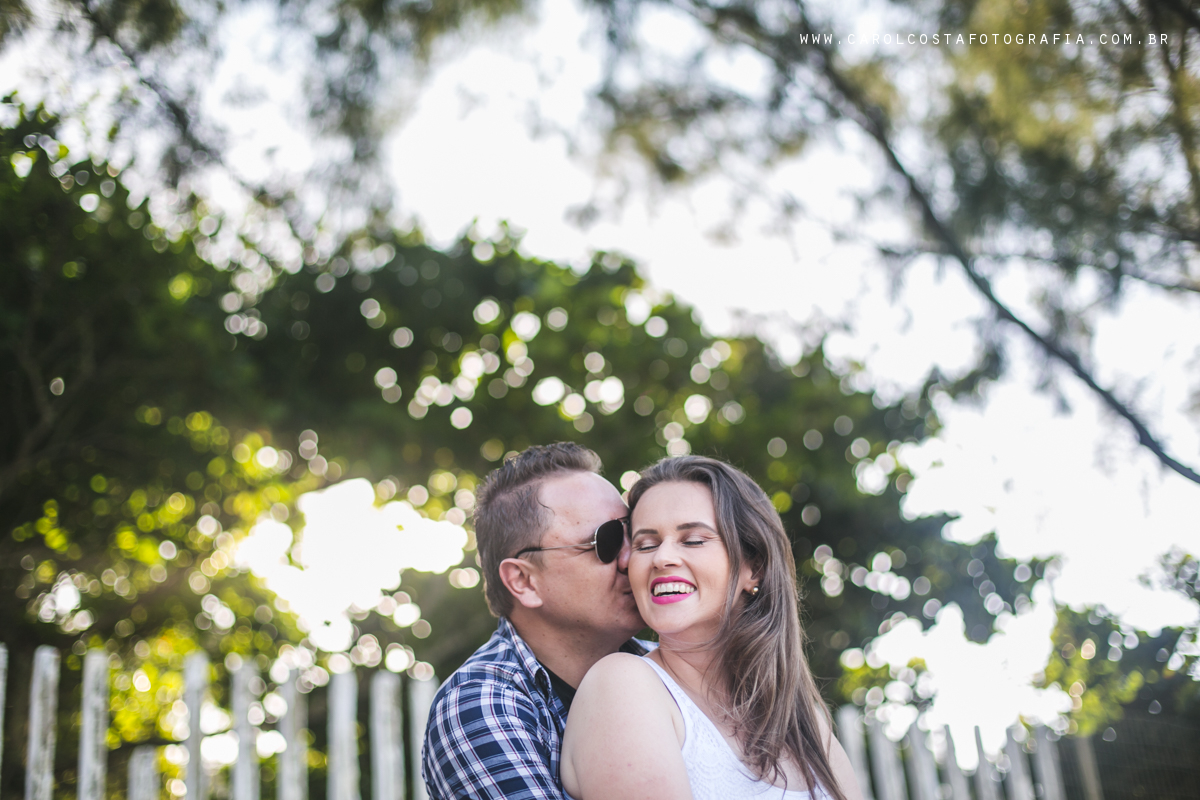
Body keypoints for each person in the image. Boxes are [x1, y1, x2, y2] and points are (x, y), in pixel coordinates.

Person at [560, 456, 863, 800]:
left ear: (755, 567)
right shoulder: (621, 684)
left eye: (692, 540)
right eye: (646, 544)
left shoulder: (802, 720)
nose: (661, 558)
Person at [421, 442, 648, 799]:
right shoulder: (480, 705)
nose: (632, 558)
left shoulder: (674, 664)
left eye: (633, 532)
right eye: (606, 540)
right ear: (524, 582)